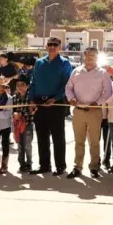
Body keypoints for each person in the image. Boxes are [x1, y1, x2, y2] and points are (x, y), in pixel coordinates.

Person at [65, 47, 113, 179]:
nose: (90, 58)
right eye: (88, 55)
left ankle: (94, 167)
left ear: (97, 57)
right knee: (79, 141)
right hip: (79, 112)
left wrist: (98, 102)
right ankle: (77, 167)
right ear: (84, 56)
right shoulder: (76, 71)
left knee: (94, 142)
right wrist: (71, 99)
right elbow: (68, 88)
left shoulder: (103, 73)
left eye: (93, 56)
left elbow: (108, 91)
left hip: (94, 112)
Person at [29, 37, 73, 175]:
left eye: (55, 45)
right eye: (50, 44)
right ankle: (44, 165)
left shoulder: (65, 63)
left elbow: (67, 84)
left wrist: (55, 99)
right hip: (39, 103)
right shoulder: (39, 62)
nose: (52, 47)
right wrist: (31, 100)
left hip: (56, 103)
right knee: (41, 136)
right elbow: (33, 81)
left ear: (59, 47)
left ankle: (60, 166)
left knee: (58, 136)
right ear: (46, 46)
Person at [12, 74, 35, 173]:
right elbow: (12, 110)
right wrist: (14, 114)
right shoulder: (14, 97)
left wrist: (21, 113)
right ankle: (22, 164)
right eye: (18, 85)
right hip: (18, 125)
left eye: (22, 84)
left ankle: (29, 163)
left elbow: (32, 110)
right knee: (20, 145)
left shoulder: (31, 96)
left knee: (27, 145)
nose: (20, 87)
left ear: (27, 86)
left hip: (28, 124)